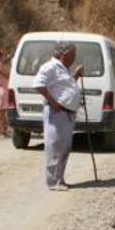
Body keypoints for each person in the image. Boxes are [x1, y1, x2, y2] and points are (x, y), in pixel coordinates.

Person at [34, 43, 83, 191]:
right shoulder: (50, 67)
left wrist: (76, 75)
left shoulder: (64, 69)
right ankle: (53, 182)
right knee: (54, 147)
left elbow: (64, 87)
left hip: (67, 114)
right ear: (65, 53)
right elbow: (38, 84)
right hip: (57, 113)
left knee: (64, 148)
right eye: (72, 55)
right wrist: (53, 102)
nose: (74, 58)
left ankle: (60, 179)